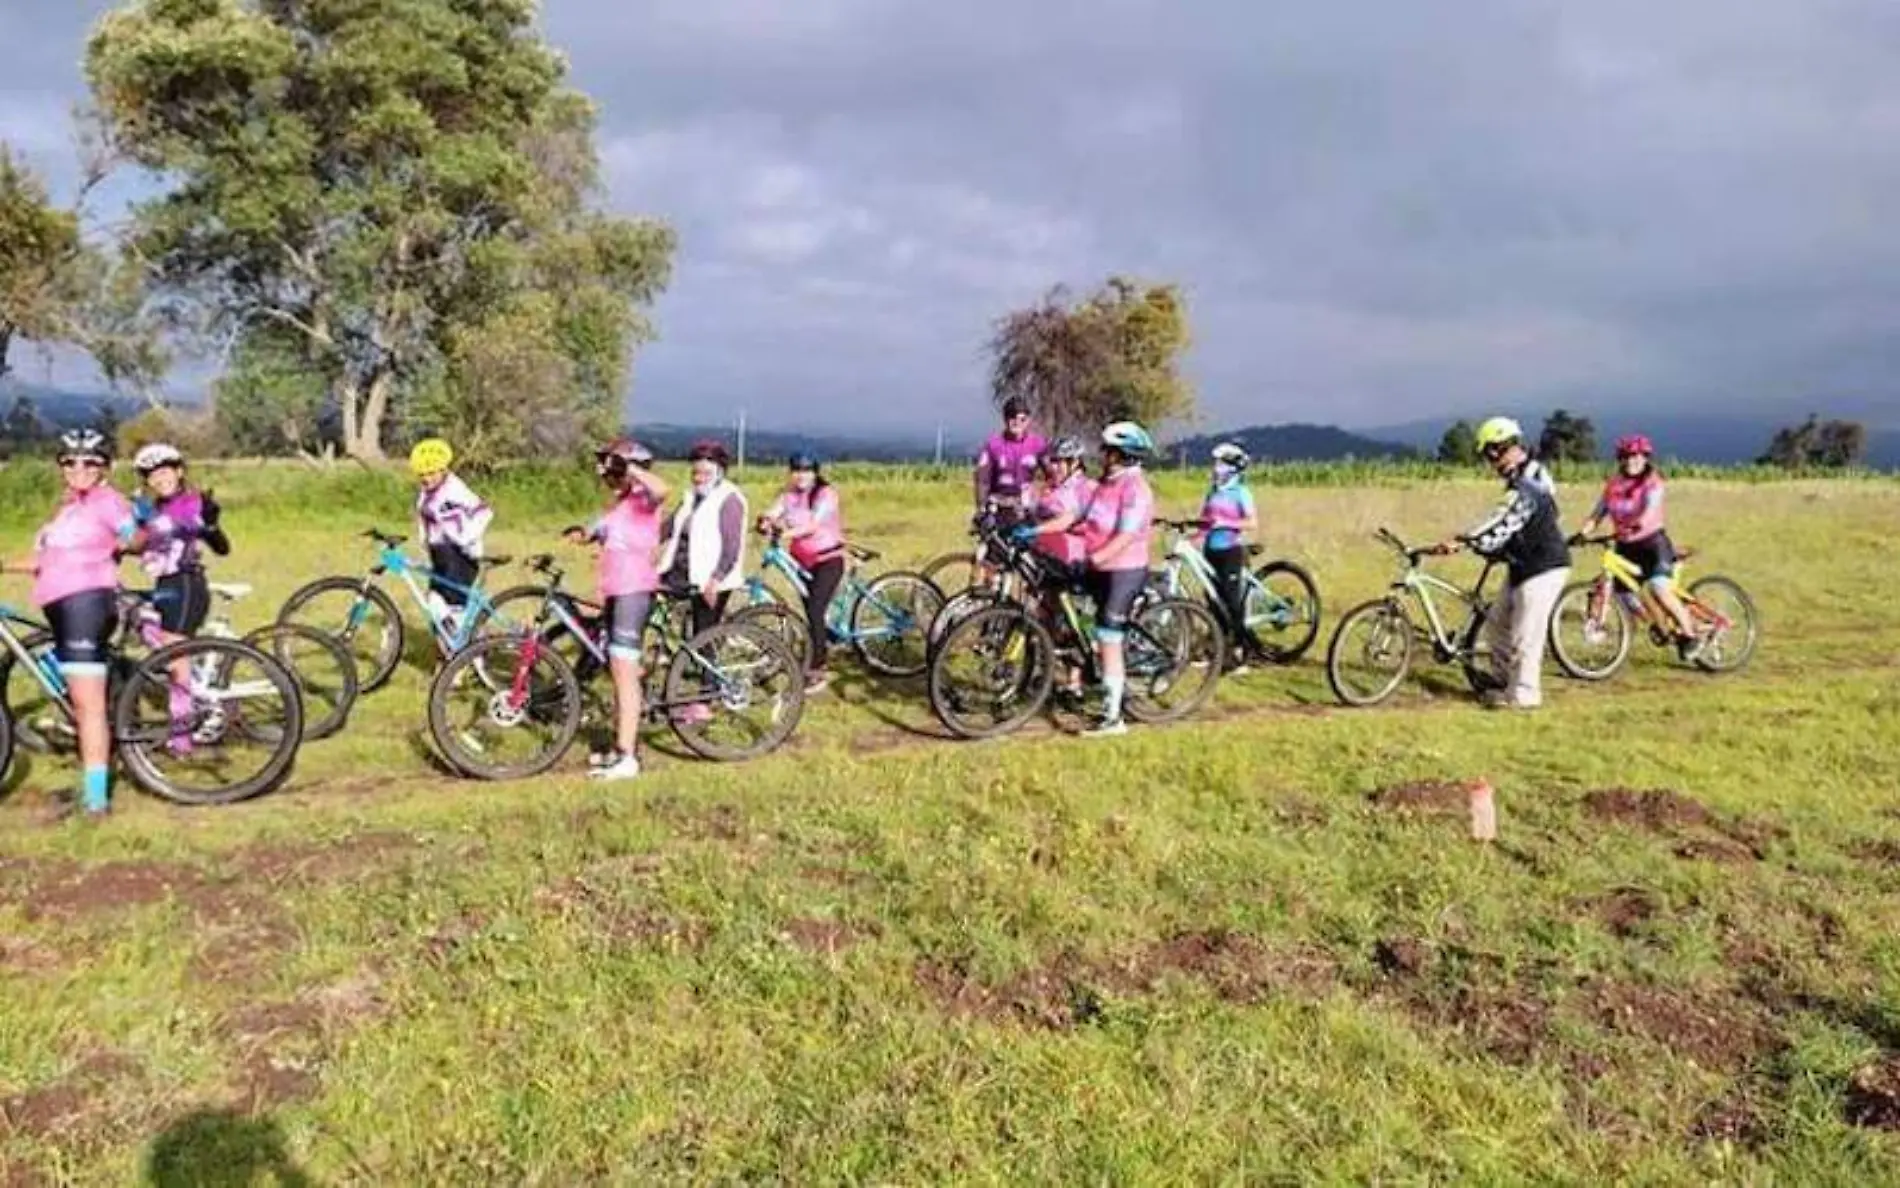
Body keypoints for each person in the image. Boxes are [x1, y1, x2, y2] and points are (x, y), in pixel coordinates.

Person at [3, 429, 137, 817]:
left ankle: (96, 801)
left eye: (90, 462)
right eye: (71, 461)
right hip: (60, 606)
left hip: (86, 604)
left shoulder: (108, 502)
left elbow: (132, 533)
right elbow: (43, 561)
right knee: (75, 695)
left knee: (87, 705)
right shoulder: (67, 510)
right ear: (61, 466)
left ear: (105, 469)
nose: (79, 468)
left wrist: (136, 539)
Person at [1430, 416, 1570, 710]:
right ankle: (1504, 682)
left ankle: (1524, 696)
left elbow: (1505, 519)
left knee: (1525, 634)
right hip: (1521, 563)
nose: (1492, 461)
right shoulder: (1520, 475)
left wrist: (1465, 540)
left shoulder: (1531, 481)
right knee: (1496, 625)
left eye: (1495, 451)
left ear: (1510, 445)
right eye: (1488, 455)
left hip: (1544, 565)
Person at [564, 438, 670, 781]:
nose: (608, 476)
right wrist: (582, 533)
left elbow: (663, 488)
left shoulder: (644, 500)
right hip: (614, 592)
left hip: (634, 591)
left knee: (624, 672)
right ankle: (619, 745)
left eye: (612, 469)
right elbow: (598, 529)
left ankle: (628, 758)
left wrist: (630, 466)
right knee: (618, 669)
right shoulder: (619, 505)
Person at [127, 442, 232, 752]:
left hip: (185, 585)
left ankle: (182, 737)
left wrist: (210, 526)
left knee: (176, 661)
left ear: (179, 472)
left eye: (165, 472)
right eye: (152, 476)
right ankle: (201, 692)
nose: (160, 480)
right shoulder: (151, 509)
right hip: (165, 584)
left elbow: (221, 546)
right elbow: (138, 543)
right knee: (139, 620)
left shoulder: (191, 503)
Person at [1577, 434, 1701, 658]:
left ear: (1645, 457)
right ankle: (1658, 628)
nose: (1630, 461)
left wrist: (1638, 524)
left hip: (1652, 545)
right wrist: (1582, 533)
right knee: (1617, 591)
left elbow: (1650, 509)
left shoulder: (1652, 482)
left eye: (1635, 456)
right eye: (1625, 456)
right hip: (1625, 546)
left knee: (1657, 588)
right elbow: (1597, 513)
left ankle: (1690, 634)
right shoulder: (1614, 484)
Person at [1075, 420, 1158, 737]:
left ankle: (1113, 720)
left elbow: (1126, 536)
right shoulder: (1105, 485)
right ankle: (1101, 683)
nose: (1102, 455)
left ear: (1123, 455)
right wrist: (1038, 530)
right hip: (1100, 568)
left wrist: (1096, 557)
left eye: (1108, 450)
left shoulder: (1136, 489)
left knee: (1109, 639)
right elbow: (1081, 519)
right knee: (1089, 628)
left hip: (1124, 569)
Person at [759, 452, 845, 692]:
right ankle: (822, 642)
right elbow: (773, 511)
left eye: (806, 471)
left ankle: (818, 669)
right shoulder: (789, 496)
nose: (801, 476)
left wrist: (783, 534)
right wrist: (765, 521)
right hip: (804, 562)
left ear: (815, 473)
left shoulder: (826, 494)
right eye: (796, 470)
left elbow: (813, 525)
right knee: (811, 612)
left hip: (828, 559)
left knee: (815, 611)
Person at [658, 439, 749, 637]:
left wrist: (715, 580)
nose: (699, 478)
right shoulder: (691, 497)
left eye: (706, 473)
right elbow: (669, 527)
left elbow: (731, 547)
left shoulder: (729, 499)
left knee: (704, 635)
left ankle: (706, 667)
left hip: (710, 579)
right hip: (681, 571)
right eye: (695, 473)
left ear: (720, 473)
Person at [409, 438, 492, 637]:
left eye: (431, 473)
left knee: (452, 606)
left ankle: (469, 654)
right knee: (436, 604)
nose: (427, 479)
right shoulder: (426, 491)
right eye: (422, 475)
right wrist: (424, 541)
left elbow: (484, 512)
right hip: (440, 553)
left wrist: (466, 538)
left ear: (443, 469)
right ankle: (452, 654)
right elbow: (426, 517)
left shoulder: (455, 489)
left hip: (459, 556)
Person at [1195, 442, 1259, 665]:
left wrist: (1226, 522)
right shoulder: (1213, 491)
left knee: (1232, 602)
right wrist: (1191, 535)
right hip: (1210, 550)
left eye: (1220, 463)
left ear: (1233, 467)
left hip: (1230, 550)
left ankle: (1242, 650)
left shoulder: (1241, 492)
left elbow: (1252, 522)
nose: (1215, 467)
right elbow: (1205, 521)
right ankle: (1216, 647)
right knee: (1213, 600)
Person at [973, 397, 1046, 525]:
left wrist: (1040, 492)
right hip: (999, 506)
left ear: (1028, 420)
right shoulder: (993, 445)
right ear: (1005, 419)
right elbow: (982, 479)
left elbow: (1052, 473)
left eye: (1022, 419)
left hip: (1027, 506)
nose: (1017, 423)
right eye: (1012, 418)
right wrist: (981, 507)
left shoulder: (1038, 444)